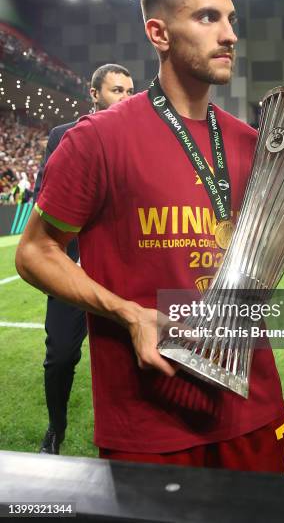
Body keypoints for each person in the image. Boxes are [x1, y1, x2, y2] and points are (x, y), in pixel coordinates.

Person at [16, 0, 284, 472]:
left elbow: (251, 259)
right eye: (208, 18)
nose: (230, 35)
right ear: (158, 33)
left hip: (254, 403)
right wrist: (128, 312)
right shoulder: (97, 139)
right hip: (149, 418)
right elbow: (35, 251)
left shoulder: (252, 145)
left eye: (231, 19)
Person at [35, 63, 134, 454]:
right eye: (116, 91)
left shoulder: (138, 137)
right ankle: (55, 431)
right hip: (71, 270)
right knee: (60, 356)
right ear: (94, 94)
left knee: (132, 360)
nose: (124, 98)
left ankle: (131, 440)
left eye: (129, 91)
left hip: (123, 270)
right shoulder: (63, 137)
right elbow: (48, 197)